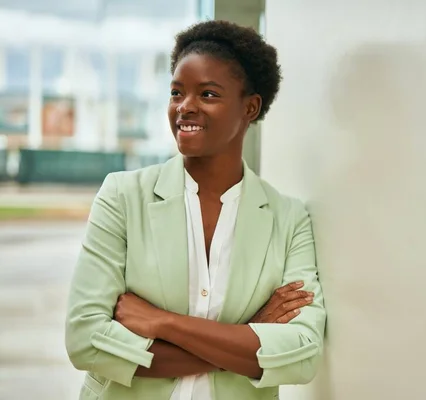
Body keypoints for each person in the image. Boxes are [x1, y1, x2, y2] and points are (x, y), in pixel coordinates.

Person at [65, 20, 326, 400]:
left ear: (250, 107)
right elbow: (85, 340)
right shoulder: (122, 197)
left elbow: (302, 352)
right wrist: (249, 335)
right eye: (176, 92)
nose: (185, 107)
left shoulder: (289, 219)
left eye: (207, 94)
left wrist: (164, 323)